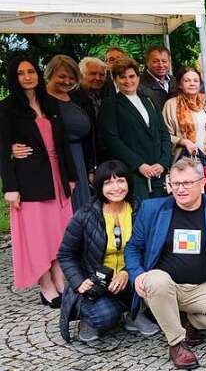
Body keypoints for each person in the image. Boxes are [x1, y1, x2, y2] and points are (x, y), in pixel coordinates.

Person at [125, 158, 206, 369]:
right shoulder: (152, 209)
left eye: (187, 183)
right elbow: (133, 247)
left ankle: (189, 322)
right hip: (164, 287)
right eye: (175, 184)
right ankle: (176, 343)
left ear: (202, 183)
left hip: (202, 287)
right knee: (156, 280)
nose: (180, 189)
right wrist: (137, 273)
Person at [1, 56, 76, 306]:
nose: (27, 76)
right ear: (14, 77)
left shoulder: (50, 103)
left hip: (58, 177)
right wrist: (10, 187)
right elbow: (3, 150)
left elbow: (63, 143)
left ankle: (60, 279)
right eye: (21, 73)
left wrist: (72, 177)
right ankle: (45, 286)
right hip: (29, 181)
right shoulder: (7, 107)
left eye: (31, 71)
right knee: (36, 235)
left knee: (58, 233)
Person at [57, 160, 150, 342]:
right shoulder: (85, 215)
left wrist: (125, 272)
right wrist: (78, 281)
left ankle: (134, 313)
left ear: (128, 183)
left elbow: (149, 249)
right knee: (105, 316)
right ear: (99, 186)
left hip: (131, 277)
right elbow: (66, 254)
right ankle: (92, 316)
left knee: (156, 286)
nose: (116, 187)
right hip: (96, 282)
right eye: (108, 182)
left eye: (120, 181)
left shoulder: (141, 210)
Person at [98, 58, 172, 201]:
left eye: (132, 76)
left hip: (158, 172)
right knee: (139, 214)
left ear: (138, 77)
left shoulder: (149, 100)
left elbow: (164, 133)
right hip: (132, 173)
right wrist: (138, 164)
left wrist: (163, 163)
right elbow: (112, 140)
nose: (128, 81)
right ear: (115, 80)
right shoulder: (110, 104)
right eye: (122, 77)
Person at [44, 55, 95, 210]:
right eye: (62, 76)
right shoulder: (41, 99)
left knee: (81, 210)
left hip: (80, 160)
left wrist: (91, 167)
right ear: (50, 74)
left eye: (72, 78)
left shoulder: (77, 96)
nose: (67, 81)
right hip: (55, 162)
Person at [162, 66, 206, 181]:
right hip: (185, 160)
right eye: (187, 80)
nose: (192, 84)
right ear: (180, 84)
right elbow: (164, 134)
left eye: (195, 80)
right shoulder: (171, 105)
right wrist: (183, 141)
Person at [138, 46, 177, 111]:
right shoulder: (139, 84)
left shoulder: (175, 81)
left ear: (169, 62)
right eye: (155, 61)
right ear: (147, 62)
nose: (161, 65)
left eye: (164, 61)